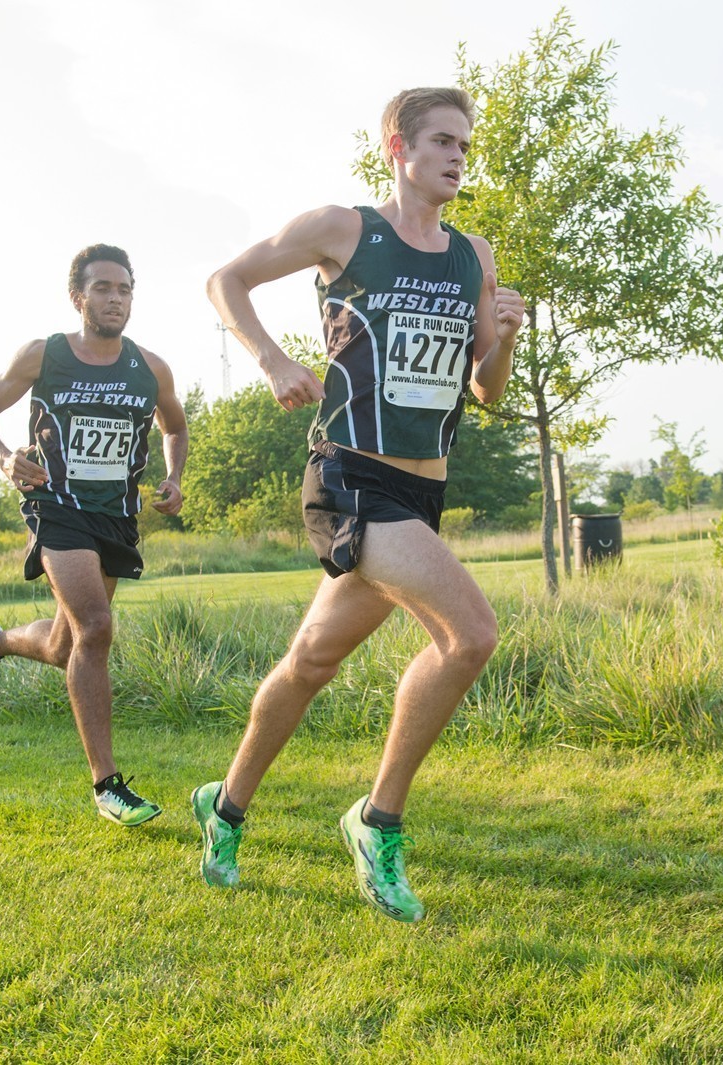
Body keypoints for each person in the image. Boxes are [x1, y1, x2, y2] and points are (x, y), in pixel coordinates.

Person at [194, 86, 525, 922]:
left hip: (421, 490)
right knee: (471, 633)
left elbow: (485, 390)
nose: (458, 155)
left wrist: (508, 337)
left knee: (310, 661)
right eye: (443, 140)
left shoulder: (472, 255)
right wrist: (271, 360)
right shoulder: (344, 230)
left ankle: (224, 807)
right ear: (397, 148)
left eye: (464, 143)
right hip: (348, 477)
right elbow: (225, 280)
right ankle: (377, 821)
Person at [0, 244, 188, 827]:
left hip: (115, 515)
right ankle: (108, 786)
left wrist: (174, 477)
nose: (116, 299)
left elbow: (176, 427)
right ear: (78, 297)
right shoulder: (45, 355)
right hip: (56, 508)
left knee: (68, 646)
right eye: (104, 288)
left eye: (125, 289)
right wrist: (2, 458)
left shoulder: (150, 367)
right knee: (96, 626)